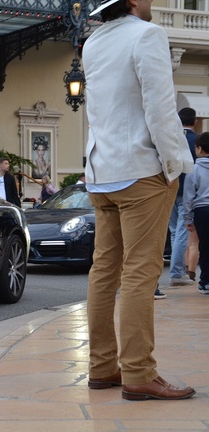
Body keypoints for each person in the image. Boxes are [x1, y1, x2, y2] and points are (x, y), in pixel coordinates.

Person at [82, 0, 195, 401]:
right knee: (140, 274)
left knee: (104, 271)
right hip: (142, 171)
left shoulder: (92, 42)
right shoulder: (148, 34)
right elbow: (161, 108)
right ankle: (138, 373)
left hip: (102, 173)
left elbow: (98, 111)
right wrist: (174, 165)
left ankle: (101, 368)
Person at [168, 107, 198, 286]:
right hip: (188, 191)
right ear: (195, 121)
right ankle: (176, 273)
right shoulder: (196, 141)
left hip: (170, 187)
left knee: (173, 233)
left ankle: (176, 270)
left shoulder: (172, 139)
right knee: (182, 233)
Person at [183, 132, 209, 294]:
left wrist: (188, 217)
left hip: (202, 211)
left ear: (199, 149)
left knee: (204, 247)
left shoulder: (194, 169)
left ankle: (205, 282)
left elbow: (188, 196)